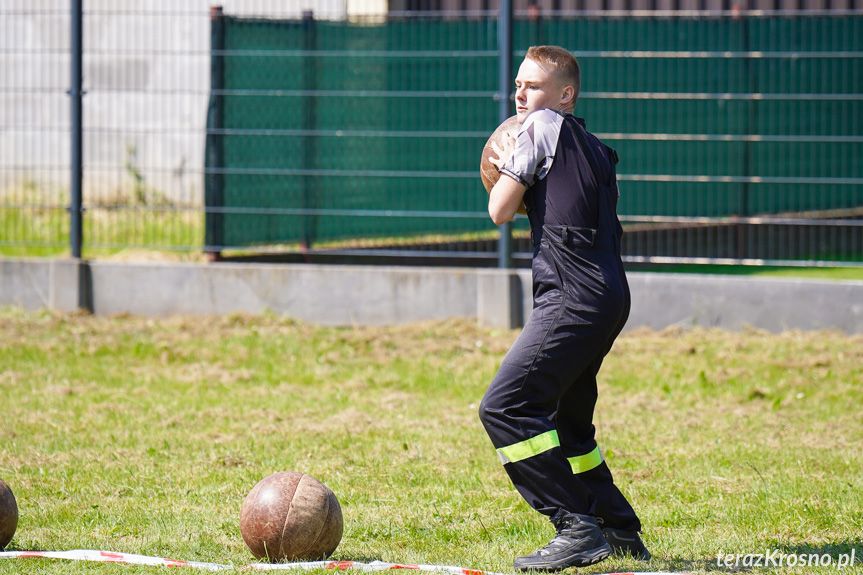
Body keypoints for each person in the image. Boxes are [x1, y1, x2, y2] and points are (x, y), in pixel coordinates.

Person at [478, 45, 649, 571]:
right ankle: (618, 528)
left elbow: (499, 210)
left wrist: (507, 166)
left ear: (565, 94)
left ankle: (576, 527)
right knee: (570, 424)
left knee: (504, 408)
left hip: (573, 294)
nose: (521, 95)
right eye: (518, 85)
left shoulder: (540, 126)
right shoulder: (595, 146)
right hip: (609, 293)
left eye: (533, 85)